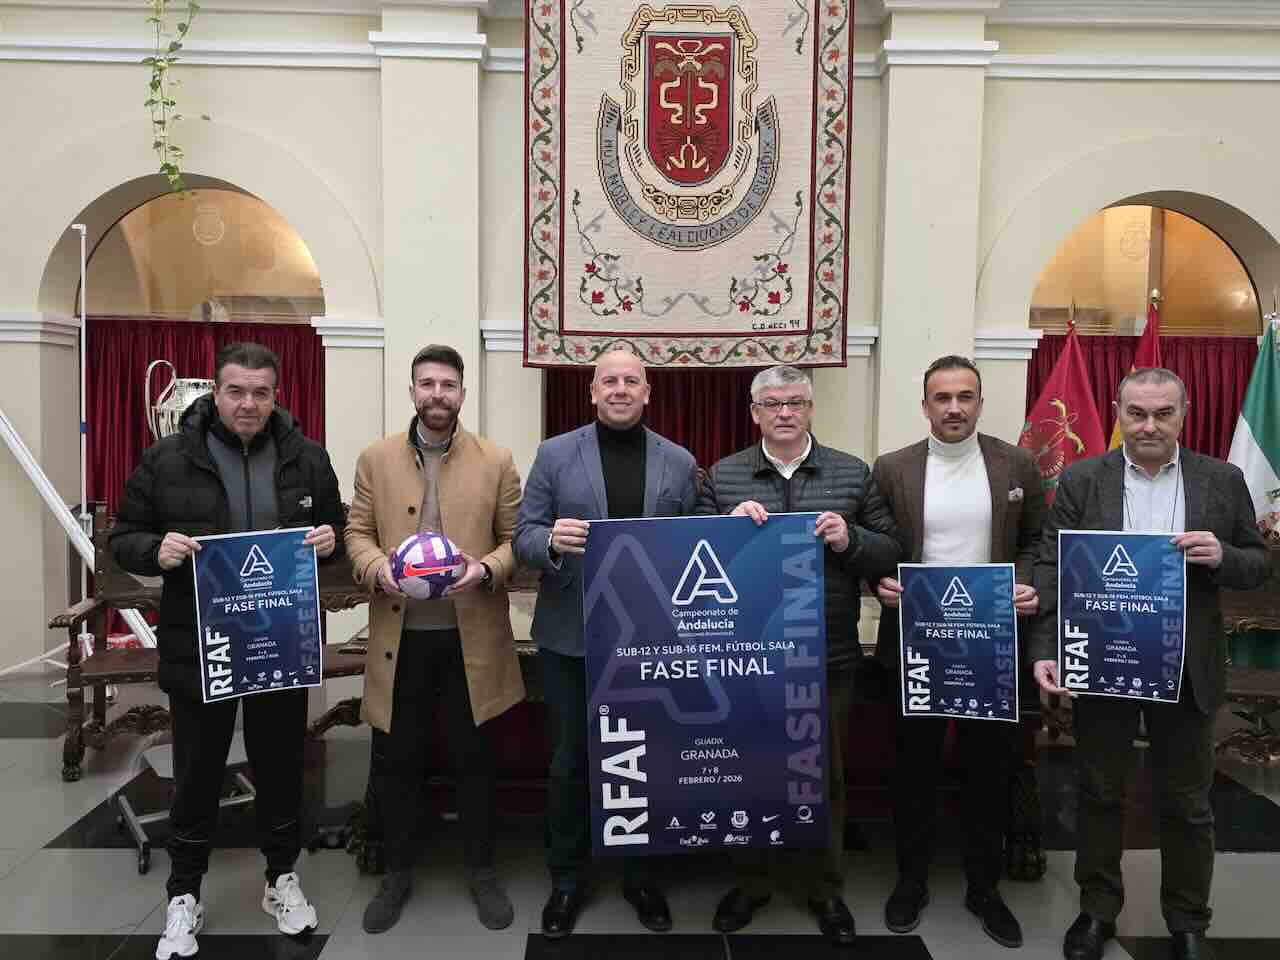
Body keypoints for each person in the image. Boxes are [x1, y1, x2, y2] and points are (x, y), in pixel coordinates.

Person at [111, 342, 343, 960]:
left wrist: (330, 540)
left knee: (280, 765)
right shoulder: (167, 459)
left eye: (261, 393)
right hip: (199, 645)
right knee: (197, 771)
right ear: (216, 393)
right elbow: (122, 536)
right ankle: (183, 894)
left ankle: (281, 878)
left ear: (276, 396)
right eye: (236, 391)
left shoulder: (308, 460)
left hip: (281, 642)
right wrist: (152, 551)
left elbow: (338, 534)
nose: (248, 403)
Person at [1031, 368, 1270, 960]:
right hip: (1105, 662)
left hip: (1187, 666)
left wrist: (1223, 556)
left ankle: (1188, 922)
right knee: (1099, 794)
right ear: (1118, 412)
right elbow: (1051, 569)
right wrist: (1046, 649)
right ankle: (1096, 911)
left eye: (1163, 413)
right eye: (1136, 413)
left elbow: (1258, 563)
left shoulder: (1222, 479)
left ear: (1184, 415)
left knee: (1187, 803)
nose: (1148, 425)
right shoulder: (1086, 479)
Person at [697, 364, 902, 946]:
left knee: (824, 775)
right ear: (754, 412)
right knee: (752, 771)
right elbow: (691, 547)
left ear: (811, 410)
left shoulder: (851, 473)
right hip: (748, 656)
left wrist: (850, 538)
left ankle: (824, 888)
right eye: (772, 403)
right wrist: (722, 531)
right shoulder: (725, 474)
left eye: (795, 402)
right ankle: (753, 881)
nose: (784, 412)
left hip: (827, 653)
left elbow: (891, 549)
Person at [514, 348, 698, 938]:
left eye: (631, 381)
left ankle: (641, 878)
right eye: (609, 381)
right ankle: (566, 880)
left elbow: (699, 542)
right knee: (569, 762)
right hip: (571, 636)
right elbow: (522, 537)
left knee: (647, 763)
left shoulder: (680, 461)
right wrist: (550, 540)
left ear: (648, 393)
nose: (620, 389)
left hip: (649, 639)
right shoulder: (554, 453)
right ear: (591, 392)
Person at [345, 344, 526, 934]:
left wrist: (487, 570)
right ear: (412, 391)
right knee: (398, 761)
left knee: (476, 761)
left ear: (462, 395)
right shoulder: (375, 458)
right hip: (401, 644)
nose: (437, 395)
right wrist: (379, 569)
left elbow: (515, 540)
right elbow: (358, 533)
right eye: (427, 384)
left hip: (470, 641)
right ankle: (397, 872)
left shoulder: (496, 461)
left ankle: (481, 870)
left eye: (448, 385)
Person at [871, 355, 1046, 949]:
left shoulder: (1016, 463)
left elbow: (1036, 541)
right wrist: (878, 582)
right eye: (941, 398)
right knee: (914, 768)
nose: (953, 408)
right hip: (916, 643)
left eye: (965, 397)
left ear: (979, 402)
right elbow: (877, 544)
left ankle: (984, 888)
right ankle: (911, 881)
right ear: (924, 406)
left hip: (992, 643)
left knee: (988, 771)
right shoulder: (891, 468)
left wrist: (1027, 583)